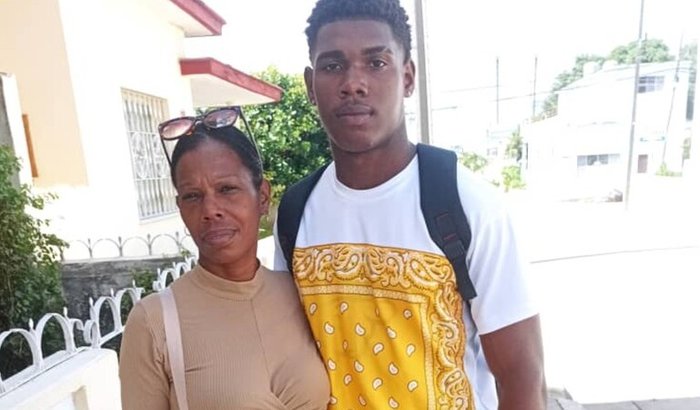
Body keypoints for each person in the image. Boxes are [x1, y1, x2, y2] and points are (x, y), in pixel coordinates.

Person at [273, 1, 546, 409]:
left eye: (376, 62)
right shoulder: (296, 213)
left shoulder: (466, 204)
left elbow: (523, 378)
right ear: (311, 86)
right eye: (333, 66)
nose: (353, 83)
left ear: (407, 76)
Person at [120, 108, 330, 410]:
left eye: (227, 189)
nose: (210, 210)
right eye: (193, 196)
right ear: (180, 207)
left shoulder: (302, 294)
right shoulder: (155, 323)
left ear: (262, 196)